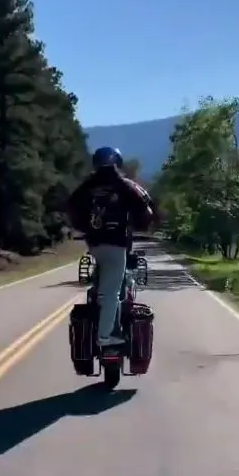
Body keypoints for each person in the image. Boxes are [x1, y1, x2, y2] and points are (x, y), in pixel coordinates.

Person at [67, 146, 153, 348]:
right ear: (118, 164)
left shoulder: (87, 186)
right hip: (117, 244)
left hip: (95, 244)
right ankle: (105, 337)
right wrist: (140, 223)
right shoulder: (125, 185)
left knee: (102, 285)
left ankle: (101, 322)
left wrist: (84, 227)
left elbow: (71, 207)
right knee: (112, 294)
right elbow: (146, 207)